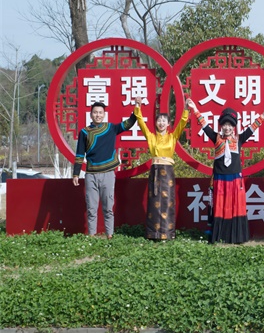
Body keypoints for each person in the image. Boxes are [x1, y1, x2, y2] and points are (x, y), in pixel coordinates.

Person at [187, 99, 264, 244]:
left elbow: (252, 128)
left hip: (235, 179)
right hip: (220, 179)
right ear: (221, 126)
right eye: (225, 124)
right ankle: (220, 236)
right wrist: (195, 109)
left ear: (234, 127)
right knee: (220, 206)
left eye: (230, 125)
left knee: (235, 206)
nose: (227, 127)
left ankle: (236, 237)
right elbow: (204, 125)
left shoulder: (239, 139)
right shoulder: (216, 137)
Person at [72, 102, 137, 239]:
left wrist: (137, 106)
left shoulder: (110, 128)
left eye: (100, 113)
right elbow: (79, 155)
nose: (98, 115)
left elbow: (129, 123)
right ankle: (92, 237)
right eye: (95, 112)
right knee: (91, 208)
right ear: (91, 114)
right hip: (91, 175)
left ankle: (110, 236)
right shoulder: (85, 132)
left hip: (108, 174)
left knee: (108, 208)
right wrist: (76, 173)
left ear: (104, 114)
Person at [134, 96, 189, 240]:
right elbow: (141, 123)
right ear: (156, 123)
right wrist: (137, 106)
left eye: (164, 120)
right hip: (156, 171)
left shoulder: (173, 137)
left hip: (168, 172)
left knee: (168, 202)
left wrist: (186, 110)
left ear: (168, 124)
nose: (161, 122)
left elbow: (182, 124)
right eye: (159, 120)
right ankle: (153, 234)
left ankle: (167, 233)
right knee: (154, 202)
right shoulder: (151, 137)